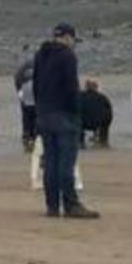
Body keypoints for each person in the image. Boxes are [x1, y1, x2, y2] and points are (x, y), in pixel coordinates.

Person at [35, 23, 96, 219]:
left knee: (50, 161)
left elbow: (36, 85)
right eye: (73, 40)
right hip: (64, 114)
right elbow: (71, 87)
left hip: (45, 114)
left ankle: (52, 205)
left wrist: (40, 110)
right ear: (68, 37)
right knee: (66, 162)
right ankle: (71, 204)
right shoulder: (67, 56)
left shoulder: (41, 55)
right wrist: (76, 112)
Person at [79, 79, 113, 148]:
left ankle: (80, 141)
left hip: (83, 122)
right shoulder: (103, 97)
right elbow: (109, 111)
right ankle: (103, 141)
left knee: (76, 117)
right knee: (106, 115)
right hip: (99, 122)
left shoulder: (79, 96)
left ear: (86, 87)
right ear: (96, 87)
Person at [14, 55, 38, 151]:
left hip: (25, 100)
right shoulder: (40, 66)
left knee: (26, 118)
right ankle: (34, 134)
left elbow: (17, 79)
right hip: (35, 101)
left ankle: (26, 134)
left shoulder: (22, 68)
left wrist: (19, 91)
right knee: (36, 117)